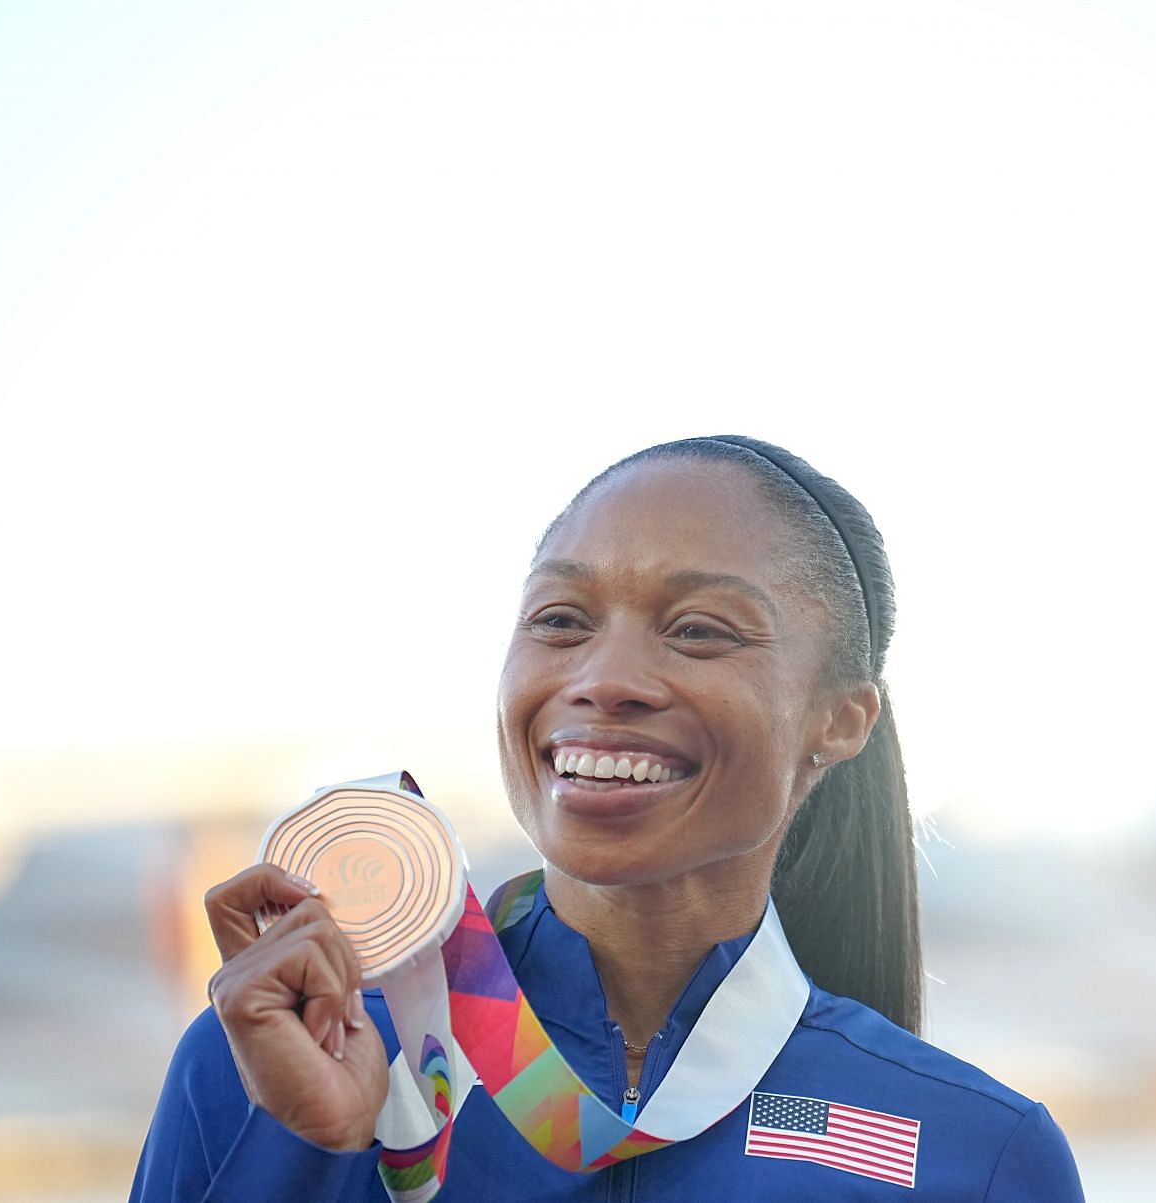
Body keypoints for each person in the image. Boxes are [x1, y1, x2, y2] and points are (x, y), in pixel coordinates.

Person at [130, 436, 1085, 1200]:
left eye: (698, 630)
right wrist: (309, 1161)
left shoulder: (976, 1153)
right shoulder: (263, 1062)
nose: (603, 679)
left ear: (840, 720)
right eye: (560, 620)